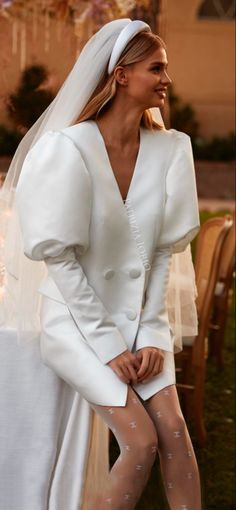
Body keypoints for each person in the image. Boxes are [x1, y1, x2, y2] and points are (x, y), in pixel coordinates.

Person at [1, 18, 202, 509]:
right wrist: (111, 346)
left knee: (174, 432)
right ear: (120, 75)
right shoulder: (66, 150)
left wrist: (153, 335)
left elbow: (160, 254)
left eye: (166, 69)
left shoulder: (172, 149)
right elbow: (61, 260)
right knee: (141, 441)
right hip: (75, 323)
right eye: (156, 68)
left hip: (141, 322)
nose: (166, 80)